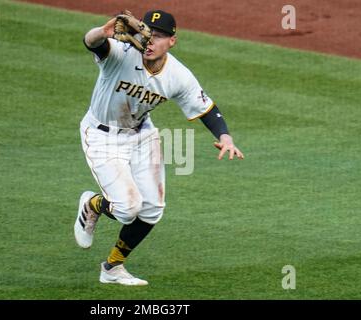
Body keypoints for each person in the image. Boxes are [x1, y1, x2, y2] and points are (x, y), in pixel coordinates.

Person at [74, 9, 244, 286]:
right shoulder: (121, 53)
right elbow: (92, 43)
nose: (151, 41)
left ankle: (112, 268)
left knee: (151, 209)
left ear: (173, 41)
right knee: (128, 209)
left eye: (161, 36)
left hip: (142, 135)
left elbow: (206, 108)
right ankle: (92, 204)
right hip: (102, 135)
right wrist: (102, 32)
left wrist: (225, 137)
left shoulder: (178, 75)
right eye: (148, 34)